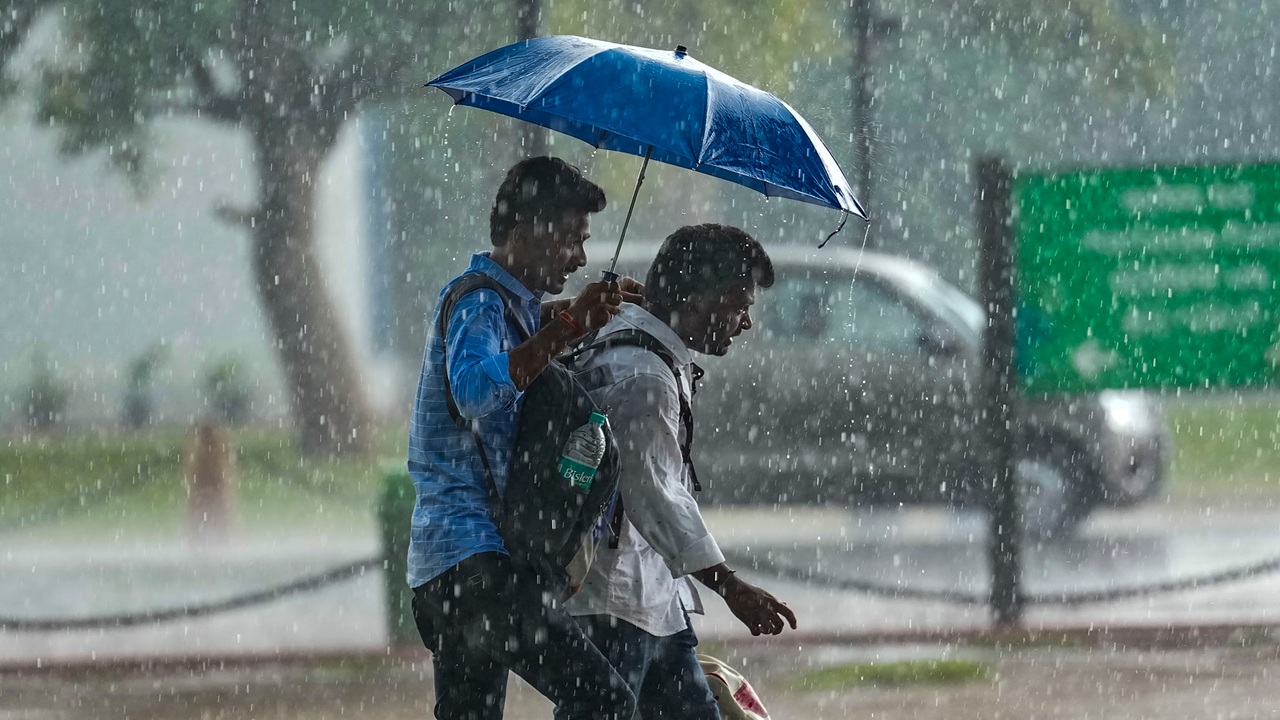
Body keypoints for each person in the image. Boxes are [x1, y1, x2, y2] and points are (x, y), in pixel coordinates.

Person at [406, 156, 642, 720]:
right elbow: (474, 390)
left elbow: (525, 339)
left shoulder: (509, 309)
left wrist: (573, 319)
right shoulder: (478, 302)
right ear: (521, 234)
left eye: (585, 243)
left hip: (449, 569)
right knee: (604, 700)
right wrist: (564, 328)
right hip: (476, 564)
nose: (581, 258)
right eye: (569, 241)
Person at [562, 224, 798, 720]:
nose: (746, 322)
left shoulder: (626, 342)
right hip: (615, 598)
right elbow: (655, 493)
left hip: (650, 596)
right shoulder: (644, 377)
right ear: (693, 300)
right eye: (739, 304)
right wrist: (731, 586)